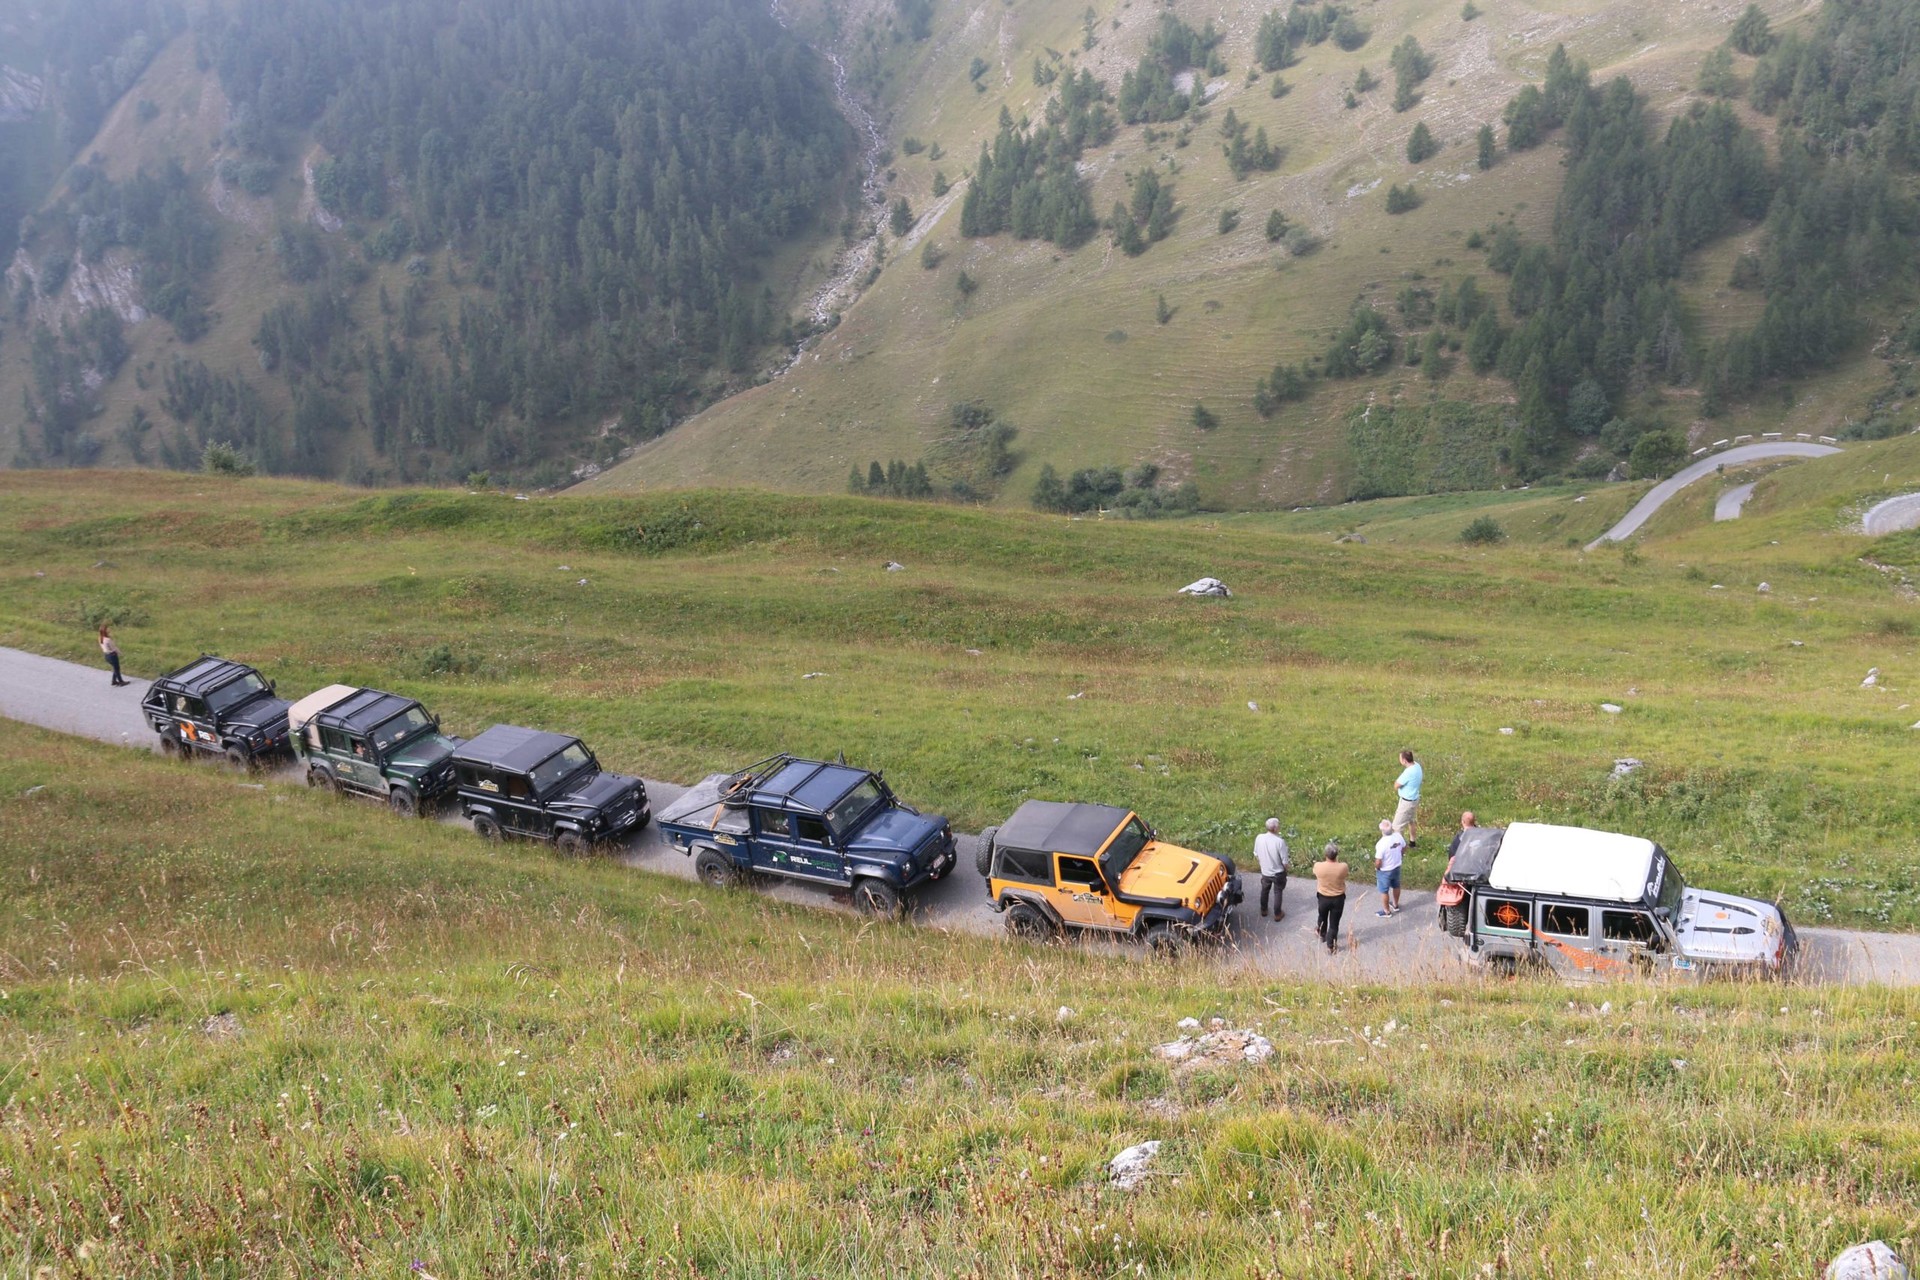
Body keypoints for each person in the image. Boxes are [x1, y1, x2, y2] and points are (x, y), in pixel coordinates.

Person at [1313, 841, 1349, 953]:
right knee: (1334, 924)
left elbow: (1315, 872)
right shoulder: (1343, 867)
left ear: (1325, 854)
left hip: (1323, 897)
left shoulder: (1318, 866)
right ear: (1337, 854)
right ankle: (1331, 946)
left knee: (1322, 916)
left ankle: (1322, 933)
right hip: (1338, 898)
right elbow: (1346, 875)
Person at [1253, 818, 1290, 920]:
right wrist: (1286, 870)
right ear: (1275, 828)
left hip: (1265, 871)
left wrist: (1262, 863)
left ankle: (1263, 910)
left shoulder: (1259, 837)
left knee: (1264, 890)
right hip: (1278, 873)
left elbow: (1256, 853)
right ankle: (1277, 914)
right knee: (1278, 892)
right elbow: (1285, 861)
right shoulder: (1280, 842)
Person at [1374, 819, 1406, 916]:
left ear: (1381, 830)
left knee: (1384, 890)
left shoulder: (1381, 843)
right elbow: (1404, 846)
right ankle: (1395, 904)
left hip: (1385, 870)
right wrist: (1401, 855)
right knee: (1396, 886)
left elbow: (1378, 861)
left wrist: (1377, 868)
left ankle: (1386, 911)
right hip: (1397, 866)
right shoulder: (1398, 836)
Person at [1392, 748, 1423, 845]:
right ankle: (1412, 842)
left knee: (1397, 826)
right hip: (1414, 799)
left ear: (1404, 761)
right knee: (1411, 820)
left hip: (1407, 802)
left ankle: (1399, 848)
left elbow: (1396, 785)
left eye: (1400, 758)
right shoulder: (1417, 766)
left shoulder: (1408, 772)